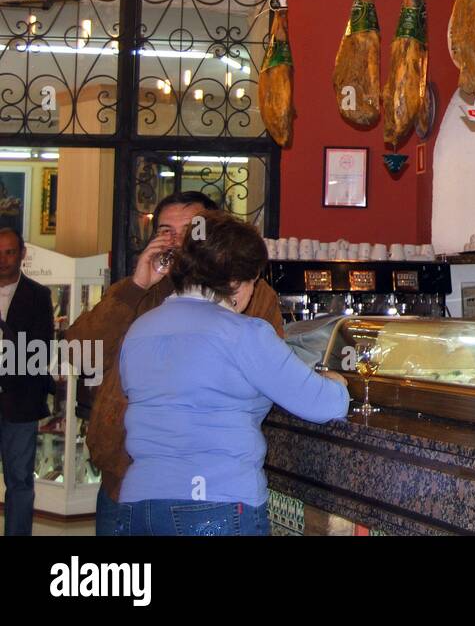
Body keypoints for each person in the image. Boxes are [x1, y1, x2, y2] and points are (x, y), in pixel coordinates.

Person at [65, 192, 286, 536]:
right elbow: (80, 353)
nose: (179, 242)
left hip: (210, 485)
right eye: (166, 231)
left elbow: (268, 374)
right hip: (123, 478)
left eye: (191, 230)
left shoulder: (251, 293)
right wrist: (136, 286)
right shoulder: (136, 292)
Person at [114, 211, 348, 535]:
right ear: (236, 282)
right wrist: (338, 382)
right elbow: (324, 405)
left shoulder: (140, 330)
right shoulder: (243, 333)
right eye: (254, 279)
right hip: (216, 502)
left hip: (138, 503)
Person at [0, 228, 54, 536]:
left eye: (9, 252)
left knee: (19, 479)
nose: (3, 259)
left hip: (20, 401)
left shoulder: (38, 295)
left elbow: (42, 348)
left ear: (22, 254)